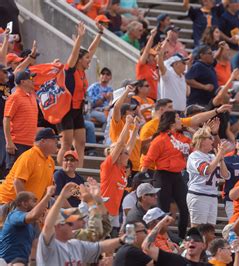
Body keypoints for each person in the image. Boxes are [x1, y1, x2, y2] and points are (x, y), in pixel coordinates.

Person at [36, 182, 125, 265]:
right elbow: (96, 233)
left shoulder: (75, 244)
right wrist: (91, 202)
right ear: (59, 225)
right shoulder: (52, 243)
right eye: (79, 219)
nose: (84, 221)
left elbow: (104, 229)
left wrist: (99, 201)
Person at [57, 22, 102, 168]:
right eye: (87, 59)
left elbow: (91, 50)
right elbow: (75, 53)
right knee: (66, 143)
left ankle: (79, 170)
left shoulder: (83, 71)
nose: (90, 60)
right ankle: (61, 169)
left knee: (81, 143)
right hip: (66, 110)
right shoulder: (70, 70)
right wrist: (80, 38)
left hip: (78, 110)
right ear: (79, 60)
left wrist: (99, 34)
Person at [141, 111, 191, 239]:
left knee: (185, 209)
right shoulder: (159, 139)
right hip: (163, 176)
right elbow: (148, 160)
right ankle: (161, 238)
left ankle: (181, 238)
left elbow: (196, 145)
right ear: (171, 122)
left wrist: (191, 129)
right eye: (178, 118)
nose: (181, 121)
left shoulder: (182, 138)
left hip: (177, 176)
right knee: (162, 210)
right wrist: (140, 179)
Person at [0, 128, 59, 210]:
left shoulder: (50, 161)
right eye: (53, 139)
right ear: (43, 141)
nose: (57, 142)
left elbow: (46, 190)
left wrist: (39, 208)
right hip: (8, 203)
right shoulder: (30, 156)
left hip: (27, 206)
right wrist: (26, 208)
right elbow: (18, 182)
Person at [101, 115, 139, 232]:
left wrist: (136, 128)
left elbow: (129, 146)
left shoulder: (122, 168)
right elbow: (120, 144)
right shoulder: (108, 166)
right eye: (124, 153)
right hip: (103, 211)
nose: (128, 154)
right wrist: (127, 124)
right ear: (117, 155)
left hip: (114, 213)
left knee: (110, 248)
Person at [186, 126, 231, 226]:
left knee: (210, 230)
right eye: (209, 138)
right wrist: (219, 155)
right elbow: (207, 170)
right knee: (198, 230)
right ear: (201, 140)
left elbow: (226, 175)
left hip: (212, 196)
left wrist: (221, 158)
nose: (212, 141)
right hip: (199, 195)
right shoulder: (194, 156)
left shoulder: (212, 156)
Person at [0, 186, 55, 263]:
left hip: (24, 262)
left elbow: (38, 244)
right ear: (25, 204)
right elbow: (34, 214)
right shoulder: (14, 216)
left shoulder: (33, 224)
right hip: (7, 262)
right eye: (34, 201)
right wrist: (48, 195)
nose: (37, 204)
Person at [3, 69, 37, 171]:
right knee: (14, 175)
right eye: (30, 78)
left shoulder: (31, 96)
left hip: (30, 144)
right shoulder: (15, 97)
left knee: (26, 175)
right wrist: (9, 142)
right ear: (23, 82)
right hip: (17, 144)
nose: (33, 81)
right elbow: (6, 119)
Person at [142, 222, 211, 265]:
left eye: (196, 239)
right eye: (188, 239)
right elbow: (147, 247)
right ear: (185, 244)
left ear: (203, 246)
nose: (191, 241)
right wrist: (161, 223)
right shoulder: (174, 260)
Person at [157, 43, 189, 113]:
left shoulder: (182, 76)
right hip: (169, 112)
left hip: (181, 112)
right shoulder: (168, 74)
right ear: (176, 64)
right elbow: (161, 66)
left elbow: (187, 93)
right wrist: (160, 55)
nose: (185, 65)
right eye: (183, 63)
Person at [136, 28, 158, 101]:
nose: (155, 58)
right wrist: (152, 37)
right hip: (143, 97)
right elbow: (146, 51)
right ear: (147, 58)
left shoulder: (154, 67)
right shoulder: (141, 66)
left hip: (154, 98)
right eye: (153, 56)